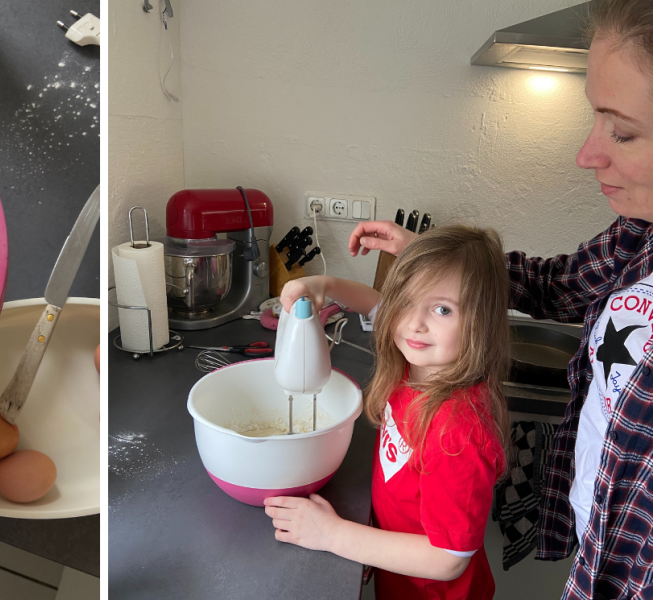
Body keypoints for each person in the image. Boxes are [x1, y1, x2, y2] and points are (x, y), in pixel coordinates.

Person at [342, 2, 653, 597]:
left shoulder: (459, 424)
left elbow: (447, 556)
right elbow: (559, 283)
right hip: (598, 556)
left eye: (623, 132)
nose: (586, 155)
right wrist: (441, 266)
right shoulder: (639, 234)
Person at [268, 226, 510, 600]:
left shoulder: (457, 433)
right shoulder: (419, 362)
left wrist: (331, 534)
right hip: (398, 578)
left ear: (482, 323)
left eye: (443, 309)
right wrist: (323, 284)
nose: (415, 322)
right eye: (407, 300)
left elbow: (447, 558)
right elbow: (374, 303)